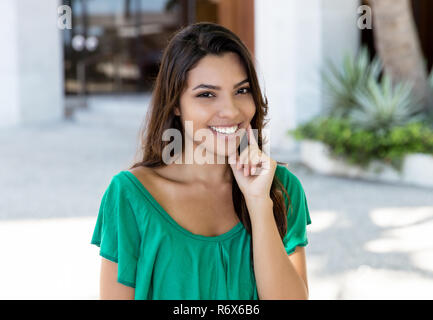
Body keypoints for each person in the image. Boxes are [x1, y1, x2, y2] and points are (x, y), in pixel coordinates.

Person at [90, 22, 312, 300]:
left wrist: (259, 204)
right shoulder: (130, 196)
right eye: (207, 94)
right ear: (175, 104)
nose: (230, 110)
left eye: (242, 90)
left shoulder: (281, 188)